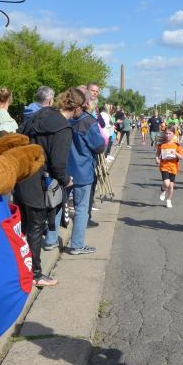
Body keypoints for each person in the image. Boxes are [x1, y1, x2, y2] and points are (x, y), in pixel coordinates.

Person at [14, 88, 77, 287]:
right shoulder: (63, 128)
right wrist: (66, 180)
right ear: (77, 108)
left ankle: (20, 269)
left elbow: (18, 137)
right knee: (35, 229)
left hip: (21, 176)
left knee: (22, 228)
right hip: (39, 182)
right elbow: (58, 164)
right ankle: (35, 274)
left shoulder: (38, 115)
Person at [67, 88, 106, 254]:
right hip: (82, 169)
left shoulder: (63, 118)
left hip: (63, 168)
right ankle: (77, 245)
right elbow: (99, 146)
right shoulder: (88, 121)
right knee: (81, 208)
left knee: (59, 206)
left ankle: (51, 240)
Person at [156, 128, 183, 208]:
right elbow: (157, 154)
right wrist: (157, 159)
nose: (168, 135)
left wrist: (175, 153)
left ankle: (169, 200)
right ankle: (163, 189)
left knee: (171, 186)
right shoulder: (161, 145)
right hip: (164, 166)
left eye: (169, 133)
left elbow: (181, 157)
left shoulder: (177, 145)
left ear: (173, 134)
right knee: (166, 183)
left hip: (173, 167)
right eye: (166, 133)